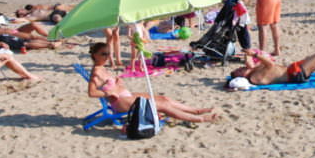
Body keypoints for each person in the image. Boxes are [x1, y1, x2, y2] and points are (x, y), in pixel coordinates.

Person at [85, 42, 217, 124]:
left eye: (108, 53)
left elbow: (109, 83)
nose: (107, 56)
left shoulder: (102, 68)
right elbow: (91, 93)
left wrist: (117, 82)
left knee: (163, 98)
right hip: (121, 102)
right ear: (95, 55)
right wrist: (108, 92)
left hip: (127, 96)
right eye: (103, 54)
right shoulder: (96, 72)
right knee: (162, 106)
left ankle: (196, 111)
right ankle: (201, 119)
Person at [230, 48, 315, 86]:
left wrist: (247, 54)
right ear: (241, 78)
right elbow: (270, 64)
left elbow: (250, 64)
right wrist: (255, 54)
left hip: (294, 69)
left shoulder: (253, 71)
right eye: (239, 71)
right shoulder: (255, 78)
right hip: (296, 75)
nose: (240, 68)